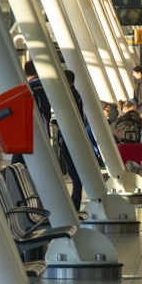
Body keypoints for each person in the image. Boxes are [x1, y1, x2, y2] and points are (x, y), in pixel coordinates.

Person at [60, 70, 85, 211]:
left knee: (74, 172)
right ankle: (75, 201)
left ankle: (75, 202)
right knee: (74, 172)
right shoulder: (75, 95)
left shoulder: (71, 96)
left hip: (71, 137)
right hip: (72, 136)